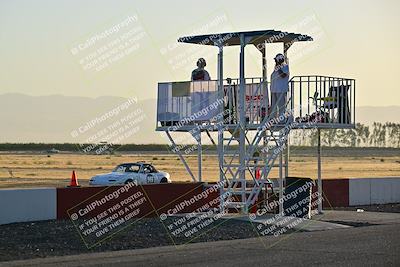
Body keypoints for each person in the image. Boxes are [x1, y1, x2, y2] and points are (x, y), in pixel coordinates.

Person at [270, 53, 289, 122]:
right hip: (274, 90)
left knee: (281, 106)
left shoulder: (285, 66)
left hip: (281, 90)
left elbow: (283, 75)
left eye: (276, 60)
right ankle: (273, 120)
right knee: (274, 107)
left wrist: (279, 68)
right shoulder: (276, 68)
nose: (275, 62)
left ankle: (282, 120)